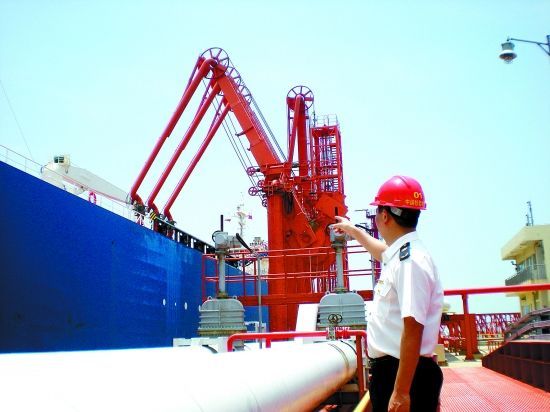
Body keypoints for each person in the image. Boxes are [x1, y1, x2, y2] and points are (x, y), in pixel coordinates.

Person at [332, 175, 443, 412]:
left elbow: (413, 328)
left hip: (403, 376)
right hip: (399, 372)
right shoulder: (403, 254)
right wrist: (352, 230)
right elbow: (382, 252)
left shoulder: (409, 262)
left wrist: (401, 392)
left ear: (384, 216)